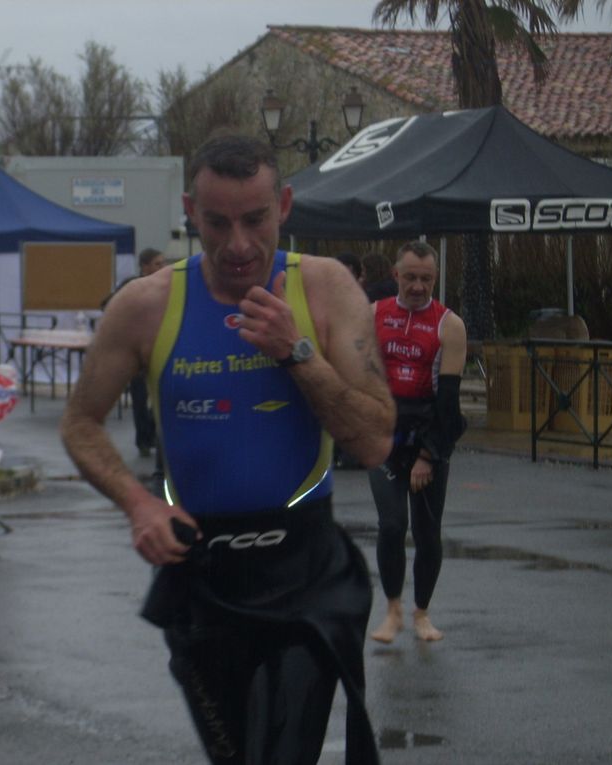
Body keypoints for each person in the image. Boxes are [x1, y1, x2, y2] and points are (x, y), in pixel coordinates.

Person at [61, 133, 394, 765]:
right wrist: (139, 505)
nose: (238, 244)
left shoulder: (325, 290)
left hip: (304, 571)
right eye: (217, 222)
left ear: (285, 206)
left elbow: (374, 440)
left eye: (255, 219)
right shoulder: (146, 305)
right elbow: (80, 422)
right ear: (191, 211)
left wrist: (297, 354)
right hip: (203, 576)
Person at [368, 240, 467, 644]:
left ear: (435, 280)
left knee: (428, 535)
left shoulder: (450, 325)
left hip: (429, 431)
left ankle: (421, 613)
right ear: (396, 276)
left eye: (426, 279)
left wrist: (429, 455)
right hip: (386, 437)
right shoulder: (374, 314)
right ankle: (392, 611)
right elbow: (362, 378)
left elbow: (449, 402)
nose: (417, 286)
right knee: (392, 525)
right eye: (410, 277)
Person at [103, 247, 167, 457]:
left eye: (162, 263)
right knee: (139, 397)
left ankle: (152, 435)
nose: (162, 267)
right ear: (145, 266)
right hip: (137, 352)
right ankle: (143, 440)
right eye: (158, 263)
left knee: (160, 397)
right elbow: (107, 304)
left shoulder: (165, 286)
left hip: (159, 350)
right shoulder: (132, 285)